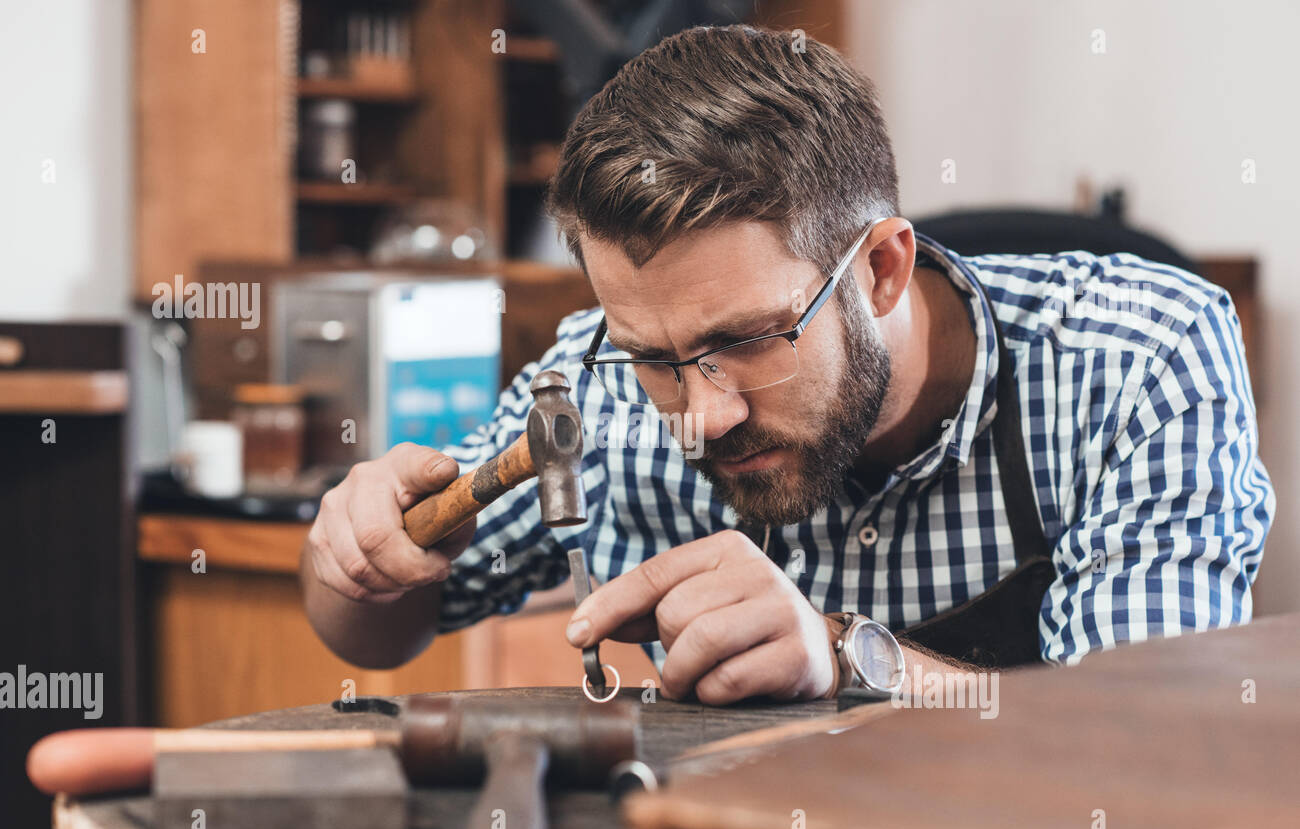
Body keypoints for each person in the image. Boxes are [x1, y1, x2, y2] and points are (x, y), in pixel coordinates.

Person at [300, 25, 1274, 705]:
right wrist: (353, 558)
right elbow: (380, 632)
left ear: (883, 267)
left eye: (743, 341)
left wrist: (852, 656)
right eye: (656, 357)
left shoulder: (1134, 359)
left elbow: (1143, 739)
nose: (703, 414)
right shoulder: (597, 393)